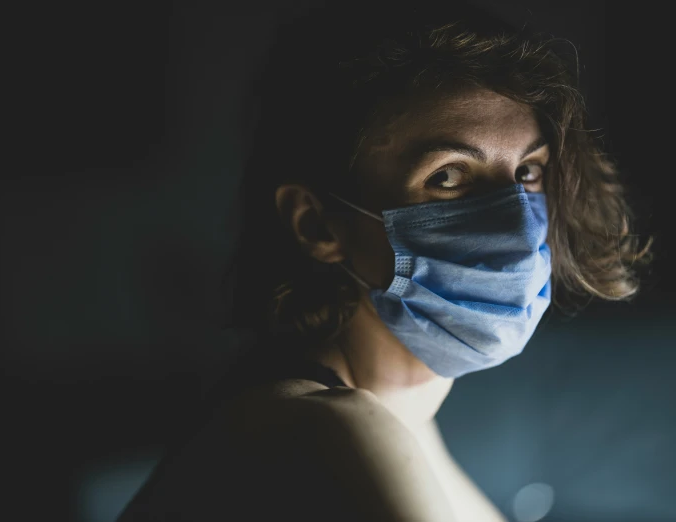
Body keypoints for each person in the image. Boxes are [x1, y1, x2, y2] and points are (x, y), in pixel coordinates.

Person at [118, 2, 652, 521]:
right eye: (448, 177)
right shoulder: (328, 429)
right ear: (318, 224)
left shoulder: (396, 414)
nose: (516, 223)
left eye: (527, 172)